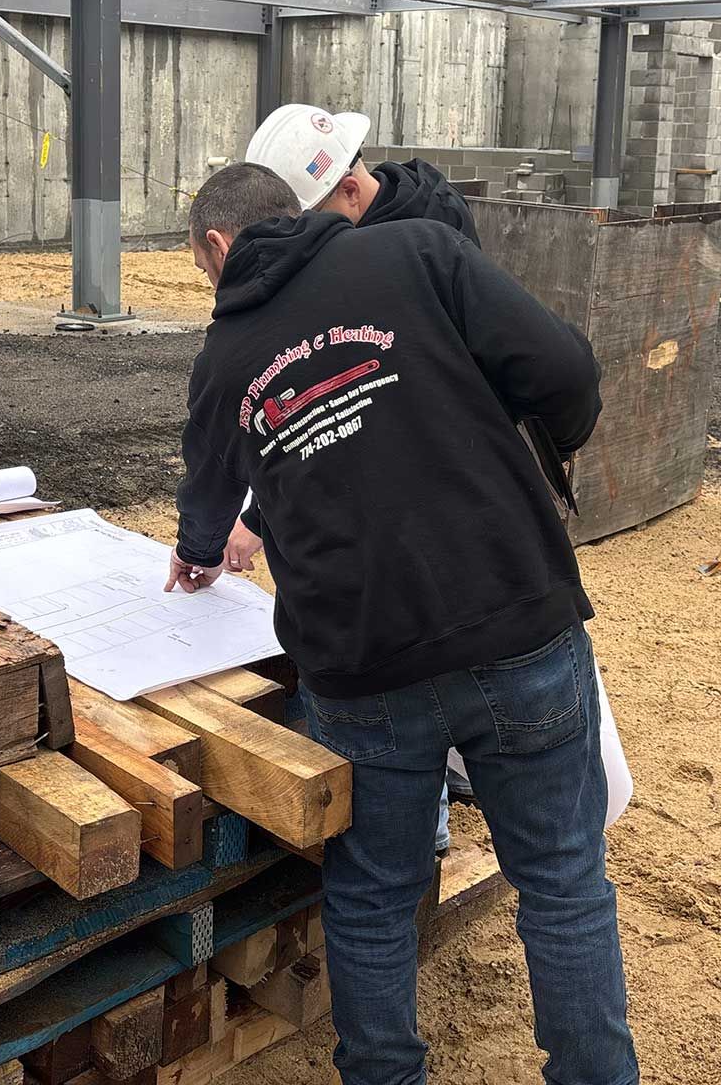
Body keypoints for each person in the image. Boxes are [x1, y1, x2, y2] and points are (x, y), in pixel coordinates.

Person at [166, 163, 637, 1085]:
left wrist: (196, 548)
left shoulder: (225, 356)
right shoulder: (418, 253)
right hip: (515, 619)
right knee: (563, 882)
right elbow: (566, 371)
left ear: (218, 246)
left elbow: (209, 486)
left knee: (374, 898)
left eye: (199, 267)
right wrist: (544, 437)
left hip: (362, 665)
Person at [237, 103, 495, 830]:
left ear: (351, 192)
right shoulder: (394, 233)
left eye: (310, 222)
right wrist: (257, 515)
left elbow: (363, 415)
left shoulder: (420, 253)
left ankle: (429, 802)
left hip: (437, 498)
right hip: (434, 494)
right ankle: (444, 769)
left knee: (420, 636)